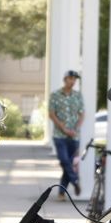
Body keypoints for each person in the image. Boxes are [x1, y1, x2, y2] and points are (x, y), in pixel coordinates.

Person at [48, 69, 83, 197]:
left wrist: (76, 128)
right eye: (70, 78)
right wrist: (63, 128)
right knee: (64, 160)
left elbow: (81, 113)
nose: (73, 81)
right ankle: (75, 181)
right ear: (65, 79)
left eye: (74, 79)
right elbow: (51, 114)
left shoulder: (78, 95)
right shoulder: (55, 95)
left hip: (74, 136)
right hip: (59, 135)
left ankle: (62, 192)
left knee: (68, 163)